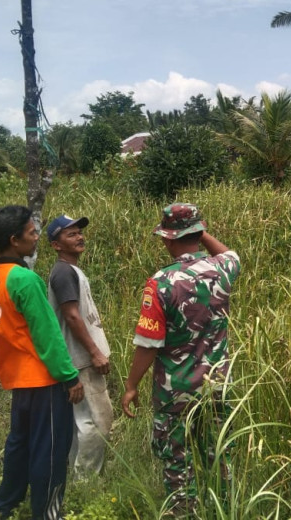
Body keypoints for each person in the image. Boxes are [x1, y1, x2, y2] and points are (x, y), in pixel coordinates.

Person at [121, 203, 241, 515]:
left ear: (168, 239)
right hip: (218, 386)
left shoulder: (160, 283)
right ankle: (224, 511)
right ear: (198, 234)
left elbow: (148, 344)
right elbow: (231, 254)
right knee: (220, 457)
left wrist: (131, 384)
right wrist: (200, 232)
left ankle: (184, 513)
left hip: (176, 392)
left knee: (178, 464)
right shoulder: (223, 270)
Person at [0, 205, 84, 520]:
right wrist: (70, 377)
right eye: (31, 232)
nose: (37, 237)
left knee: (19, 445)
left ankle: (7, 505)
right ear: (14, 240)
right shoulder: (25, 279)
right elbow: (48, 335)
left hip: (16, 378)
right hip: (44, 381)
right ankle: (48, 513)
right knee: (49, 452)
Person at [46, 214, 113, 476]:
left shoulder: (68, 270)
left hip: (79, 357)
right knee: (97, 422)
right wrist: (94, 352)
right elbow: (72, 316)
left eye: (79, 232)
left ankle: (76, 478)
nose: (79, 237)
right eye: (70, 234)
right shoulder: (63, 272)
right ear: (56, 244)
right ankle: (86, 480)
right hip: (82, 358)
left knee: (80, 422)